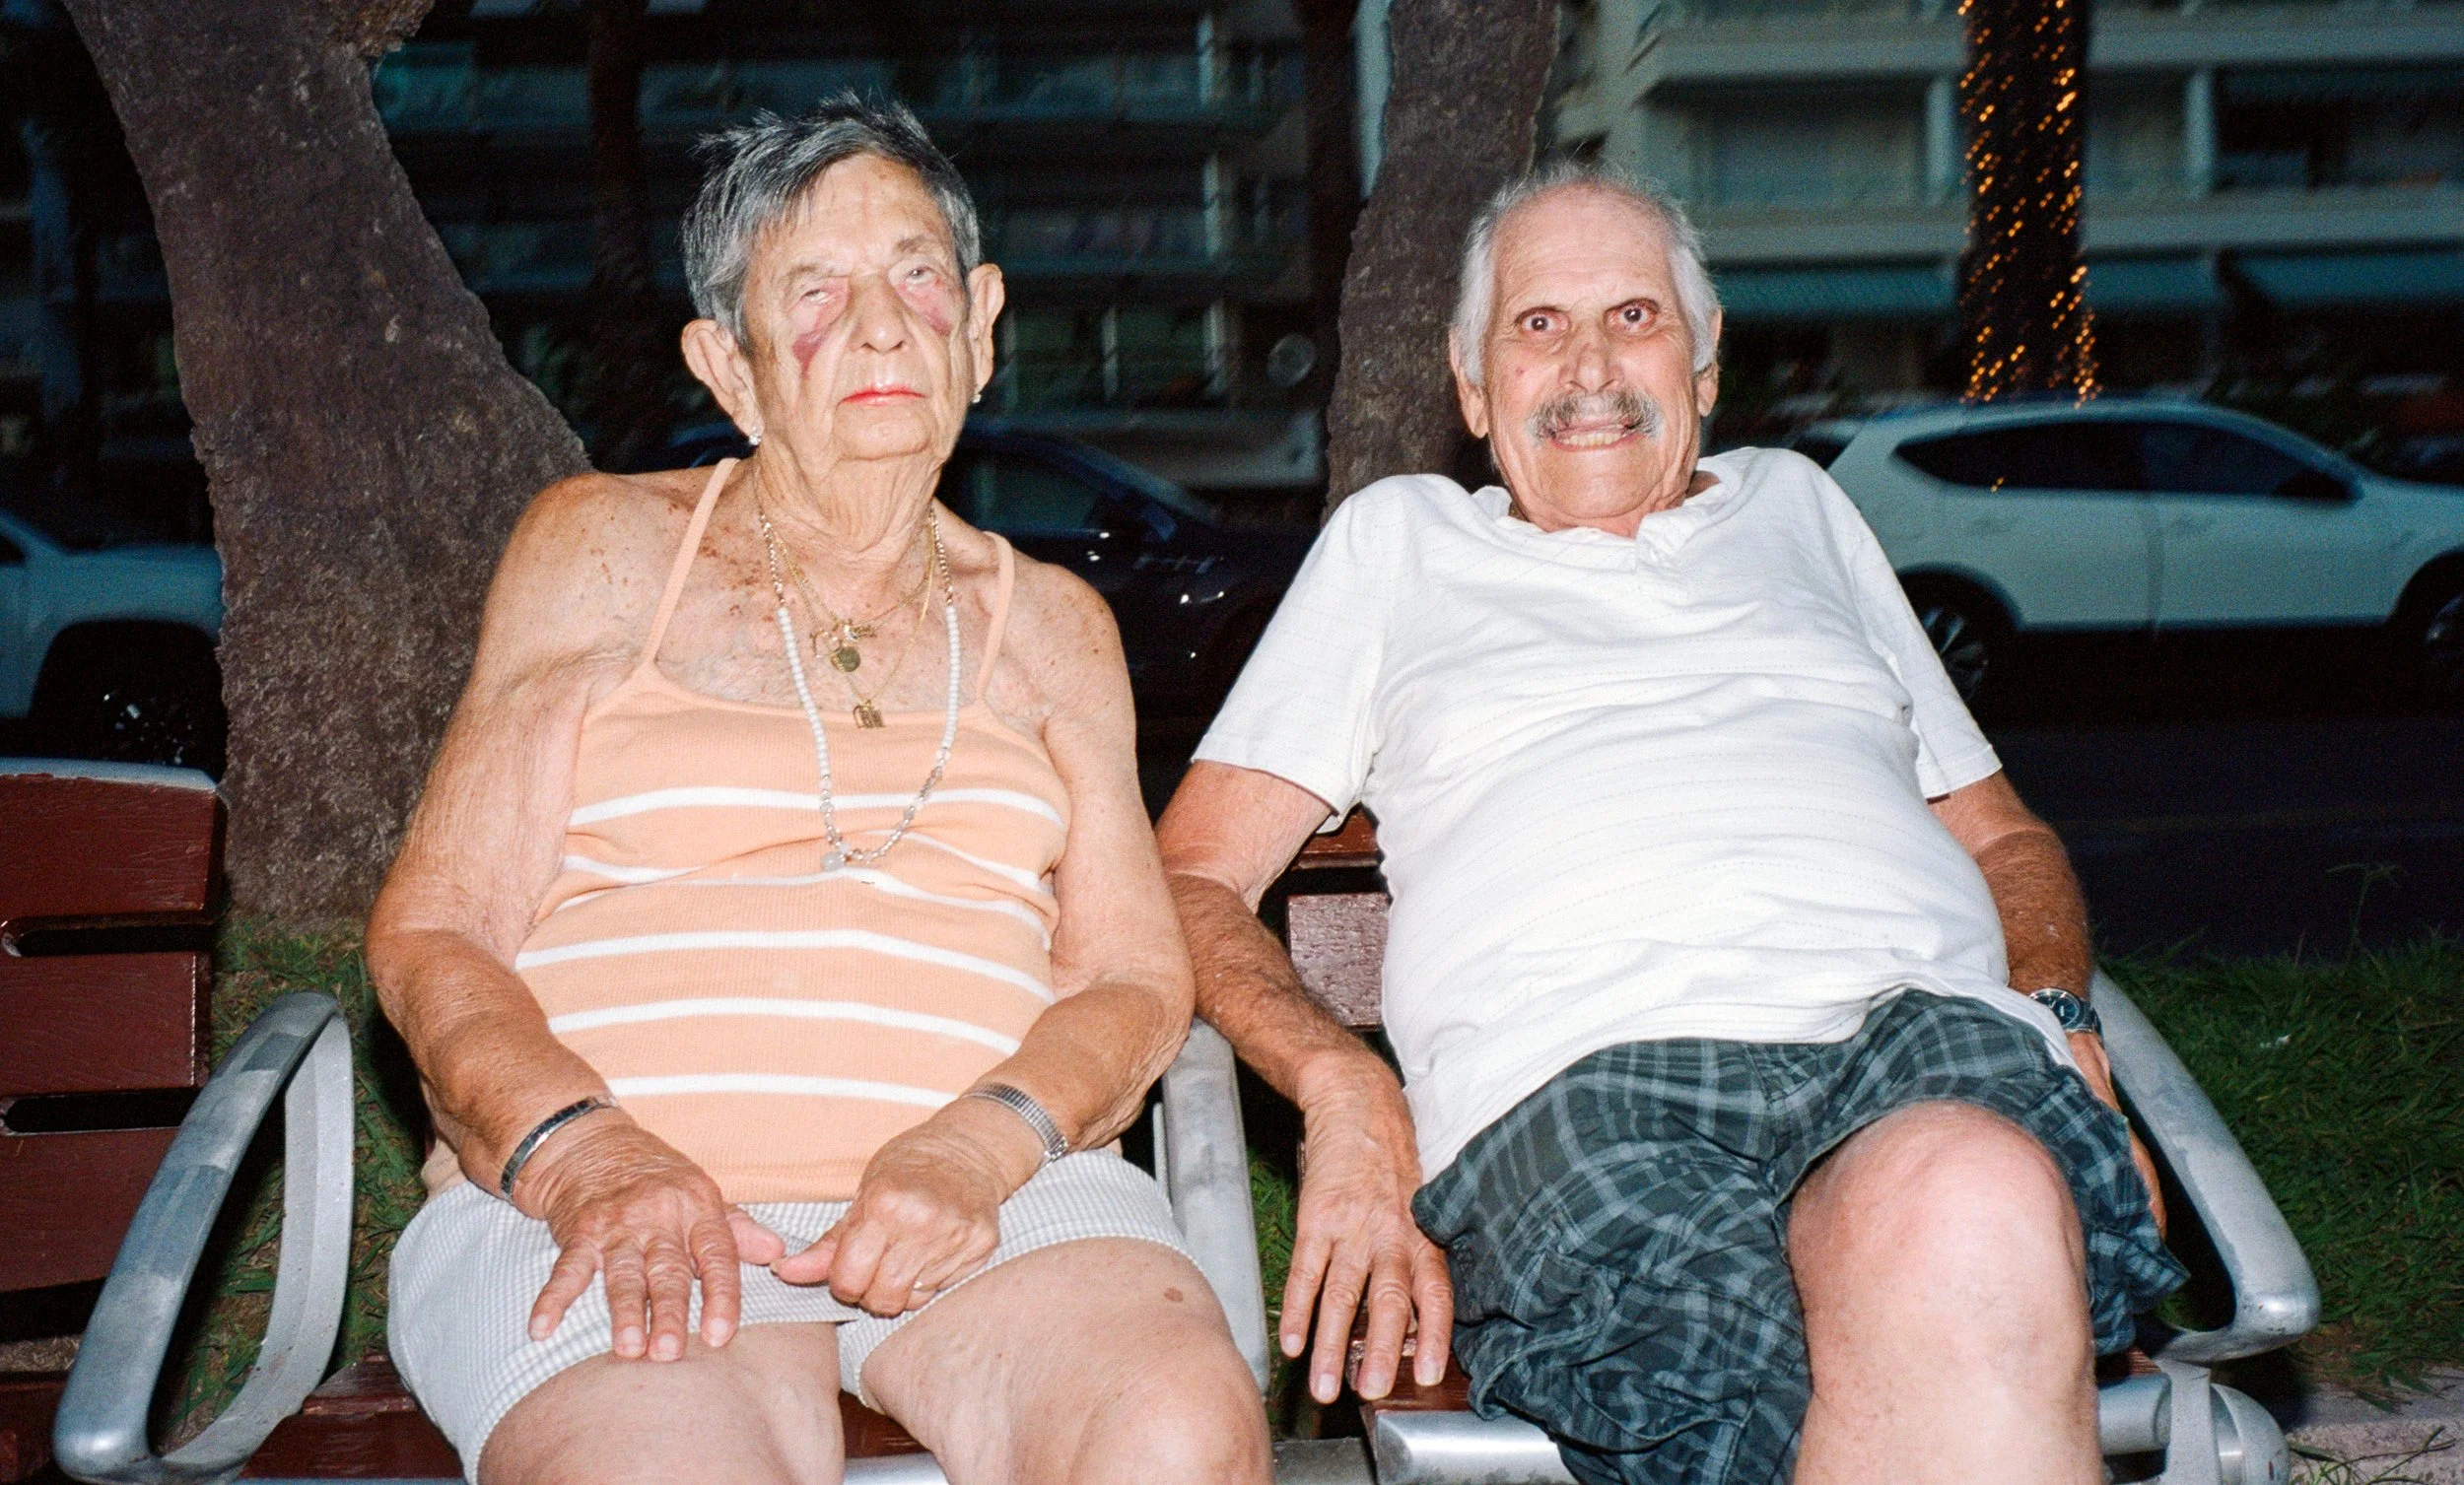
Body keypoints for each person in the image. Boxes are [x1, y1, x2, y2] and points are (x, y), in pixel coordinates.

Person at [1156, 160, 2185, 1485]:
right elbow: (1185, 876)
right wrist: (1345, 1083)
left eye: (1635, 316)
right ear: (1473, 389)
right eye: (1539, 325)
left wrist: (2062, 1011)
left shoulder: (1801, 510)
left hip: (1914, 1033)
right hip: (1579, 1087)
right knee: (1720, 1371)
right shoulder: (1399, 547)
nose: (1591, 363)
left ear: (1704, 368)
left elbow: (2003, 839)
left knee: (1980, 1203)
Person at [368, 96, 1270, 1485]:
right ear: (728, 367)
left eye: (917, 275)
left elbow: (1132, 978)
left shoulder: (1056, 627)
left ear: (979, 321)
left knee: (1173, 1433)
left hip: (994, 1196)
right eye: (815, 288)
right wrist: (579, 1148)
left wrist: (985, 1141)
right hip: (610, 1194)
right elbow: (440, 930)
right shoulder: (602, 550)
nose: (879, 323)